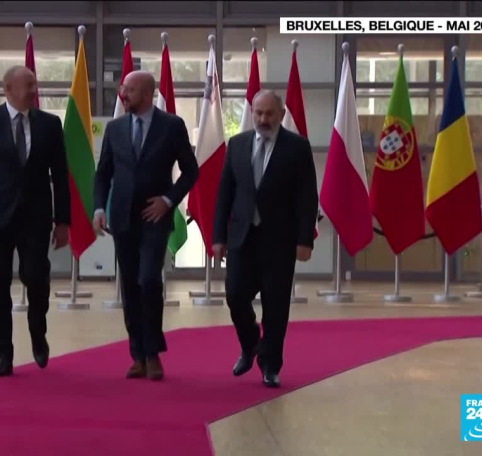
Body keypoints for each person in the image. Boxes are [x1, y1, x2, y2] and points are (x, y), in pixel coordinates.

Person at [0, 65, 71, 377]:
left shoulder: (50, 124)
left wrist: (63, 221)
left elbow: (60, 175)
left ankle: (38, 332)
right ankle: (2, 354)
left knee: (36, 277)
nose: (35, 91)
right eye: (29, 85)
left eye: (35, 84)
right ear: (8, 89)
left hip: (36, 219)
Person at [93, 71, 199, 381]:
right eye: (122, 89)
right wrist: (99, 208)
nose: (123, 94)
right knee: (129, 285)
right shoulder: (114, 129)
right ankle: (138, 355)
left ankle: (153, 353)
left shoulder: (172, 126)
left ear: (147, 93)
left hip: (156, 216)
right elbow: (103, 174)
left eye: (129, 90)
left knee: (149, 279)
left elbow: (191, 172)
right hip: (122, 217)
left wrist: (168, 200)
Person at [212, 89, 318, 388]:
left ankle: (271, 365)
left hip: (279, 241)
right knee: (235, 295)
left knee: (276, 306)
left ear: (281, 115)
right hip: (241, 239)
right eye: (258, 113)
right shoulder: (237, 144)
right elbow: (225, 194)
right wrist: (218, 236)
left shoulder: (297, 147)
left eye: (269, 113)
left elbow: (307, 197)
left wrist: (305, 240)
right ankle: (250, 346)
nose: (263, 119)